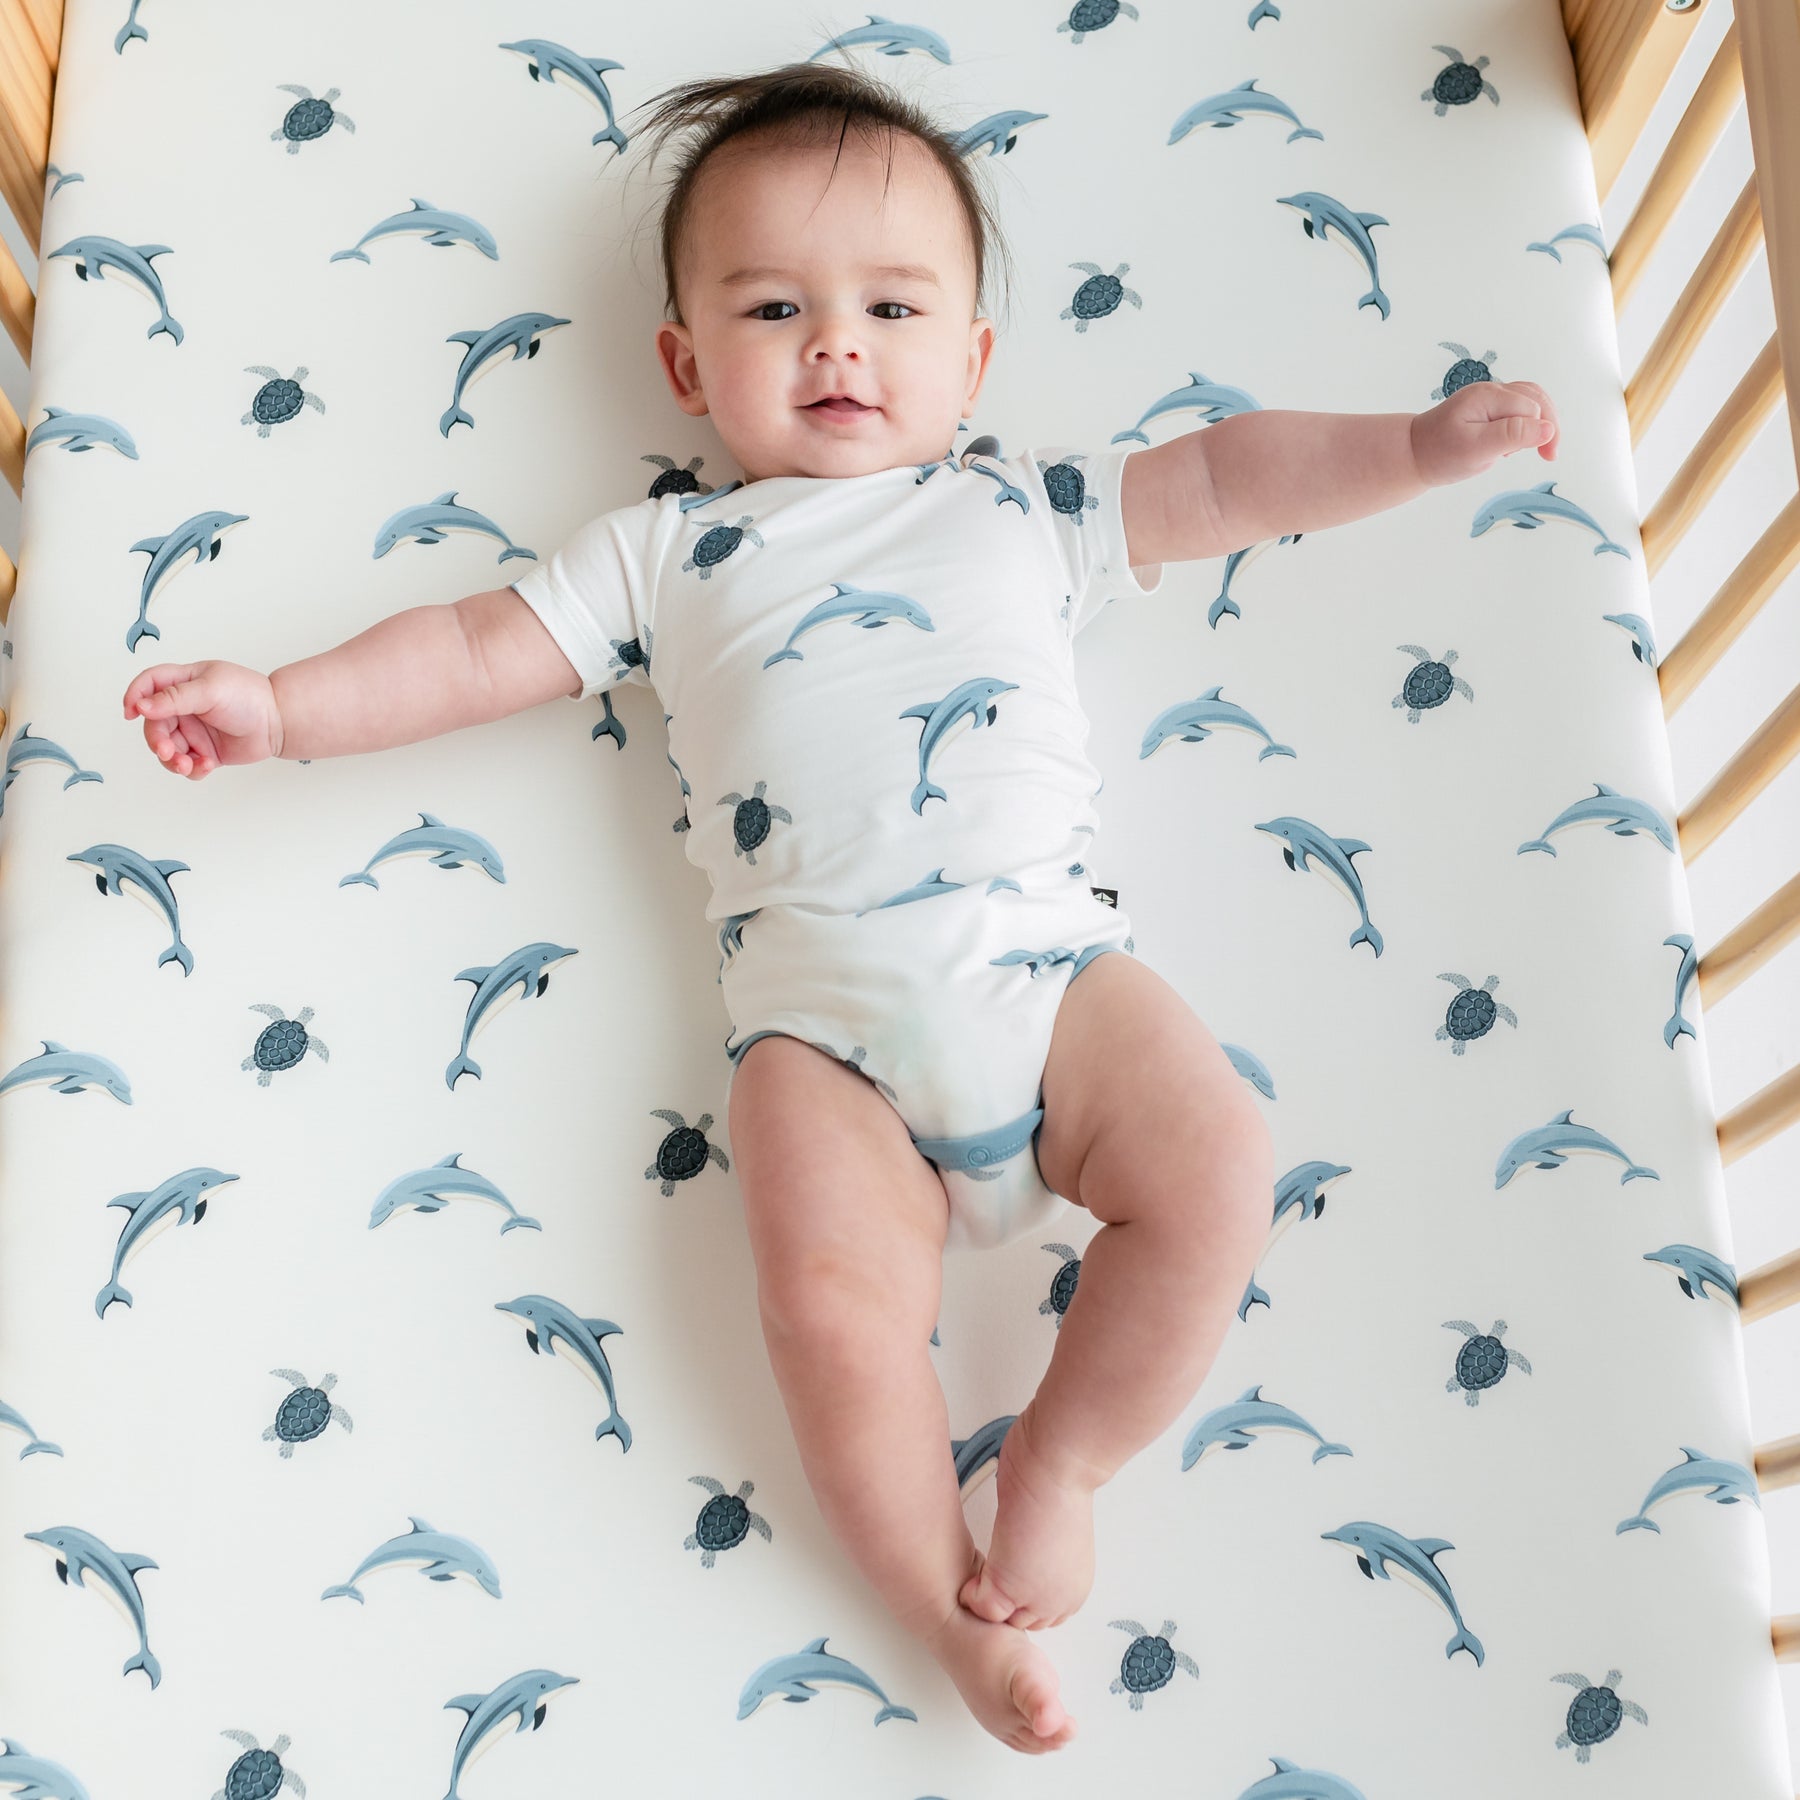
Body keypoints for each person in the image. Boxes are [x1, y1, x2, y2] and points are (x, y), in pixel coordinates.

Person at [119, 60, 1559, 1757]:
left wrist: (1410, 443)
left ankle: (1062, 1459)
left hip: (1051, 977)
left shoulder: (1021, 507)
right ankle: (943, 1615)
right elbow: (465, 647)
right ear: (683, 365)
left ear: (974, 358)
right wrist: (285, 707)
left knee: (1221, 1160)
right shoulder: (665, 554)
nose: (836, 345)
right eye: (774, 307)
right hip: (827, 1046)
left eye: (891, 304)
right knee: (827, 1318)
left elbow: (1233, 480)